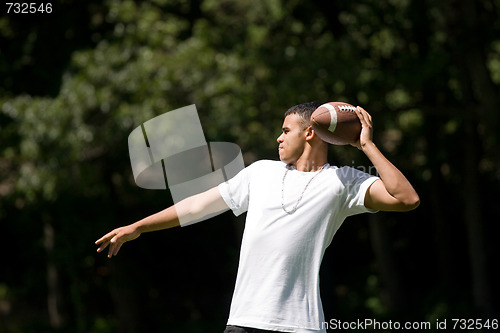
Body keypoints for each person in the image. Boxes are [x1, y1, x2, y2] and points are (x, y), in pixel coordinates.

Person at [95, 102, 420, 333]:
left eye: (285, 130)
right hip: (244, 322)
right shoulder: (261, 172)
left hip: (301, 326)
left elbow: (406, 198)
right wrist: (137, 226)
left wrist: (367, 145)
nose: (278, 138)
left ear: (310, 133)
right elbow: (195, 207)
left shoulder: (343, 180)